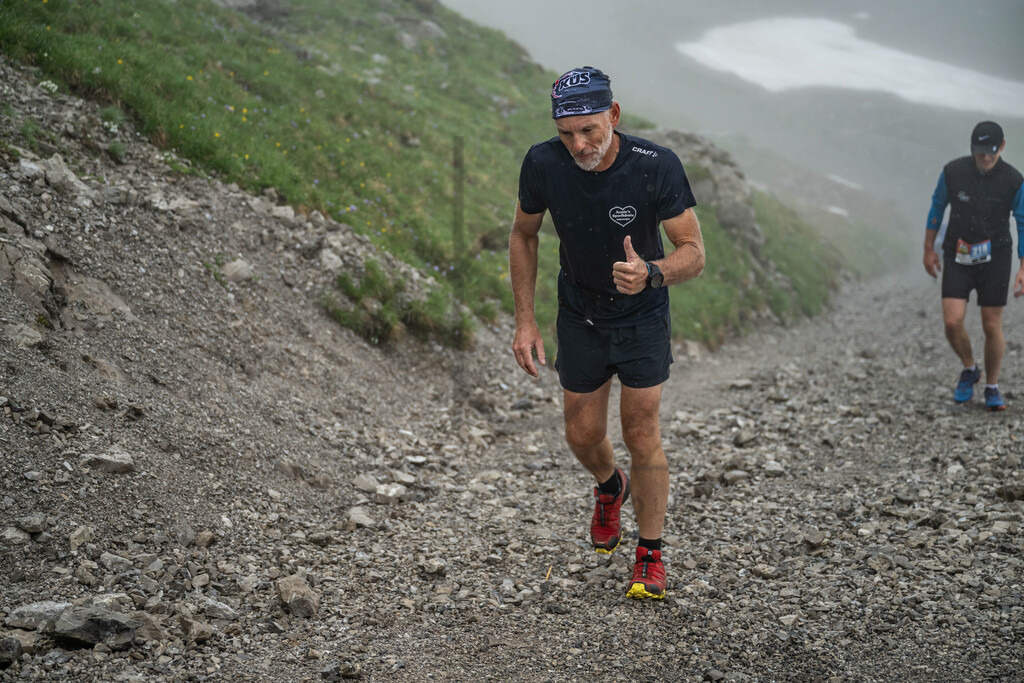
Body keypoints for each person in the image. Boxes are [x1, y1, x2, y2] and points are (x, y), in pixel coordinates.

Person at [508, 66, 705, 599]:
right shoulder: (543, 162)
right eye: (566, 133)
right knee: (581, 434)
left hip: (642, 315)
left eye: (589, 130)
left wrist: (652, 272)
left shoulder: (655, 164)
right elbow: (524, 234)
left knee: (640, 430)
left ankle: (650, 554)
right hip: (580, 313)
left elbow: (694, 252)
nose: (579, 145)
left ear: (613, 115)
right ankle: (609, 485)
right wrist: (525, 320)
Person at [923, 120, 1024, 411]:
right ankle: (970, 368)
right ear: (971, 147)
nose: (985, 156)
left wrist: (1022, 267)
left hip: (996, 258)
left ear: (1002, 147)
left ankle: (992, 386)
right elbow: (937, 206)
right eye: (979, 151)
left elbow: (1023, 222)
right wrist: (928, 249)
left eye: (991, 150)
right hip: (958, 254)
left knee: (991, 324)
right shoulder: (953, 172)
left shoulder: (1014, 180)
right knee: (952, 321)